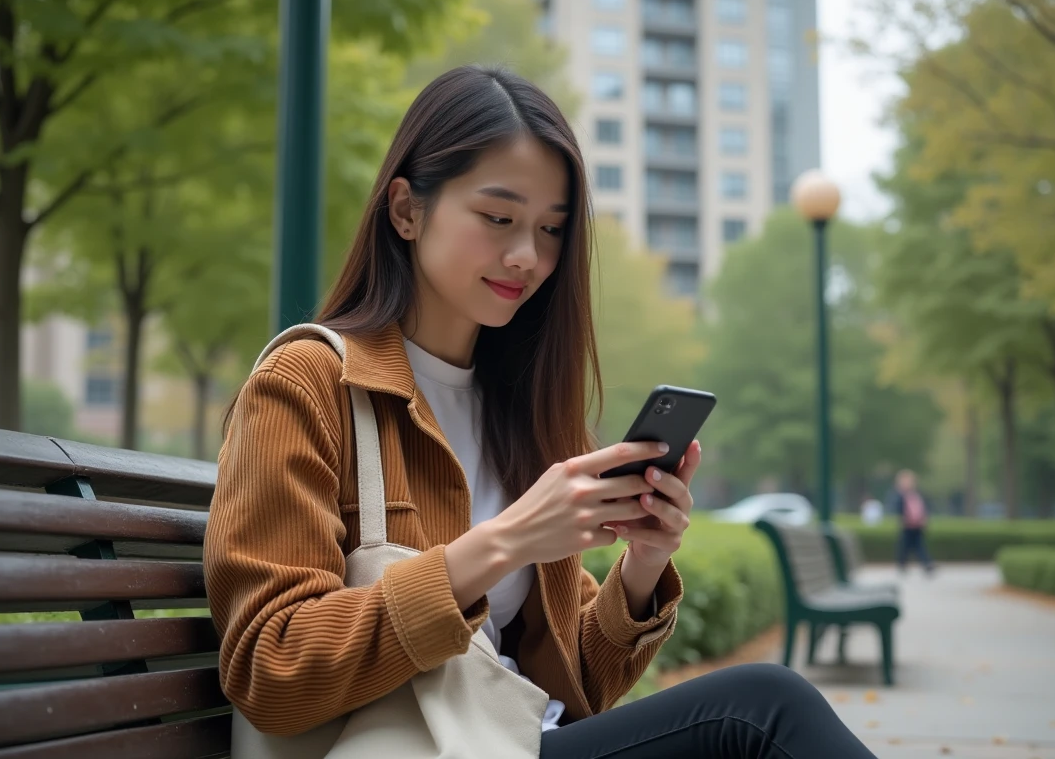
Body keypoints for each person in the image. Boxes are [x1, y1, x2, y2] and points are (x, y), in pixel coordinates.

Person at [206, 66, 877, 758]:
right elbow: (269, 670)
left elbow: (576, 690)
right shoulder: (310, 383)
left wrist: (644, 564)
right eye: (498, 218)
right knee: (760, 712)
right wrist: (502, 543)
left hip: (513, 741)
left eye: (551, 229)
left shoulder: (515, 412)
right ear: (406, 210)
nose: (527, 255)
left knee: (765, 709)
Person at [893, 469, 935, 575]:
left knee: (920, 546)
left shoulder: (917, 495)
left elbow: (924, 509)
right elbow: (898, 510)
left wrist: (924, 520)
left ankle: (926, 564)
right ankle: (902, 565)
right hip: (907, 526)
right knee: (905, 547)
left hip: (917, 525)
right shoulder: (900, 496)